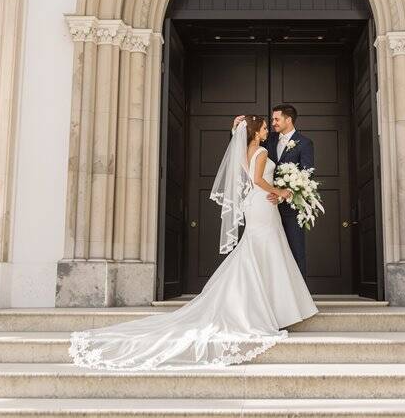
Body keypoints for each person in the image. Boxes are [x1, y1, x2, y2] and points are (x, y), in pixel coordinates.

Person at [69, 115, 317, 371]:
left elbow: (246, 172)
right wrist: (282, 192)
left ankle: (265, 305)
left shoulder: (244, 150)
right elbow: (257, 180)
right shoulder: (263, 150)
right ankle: (268, 308)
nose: (268, 130)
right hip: (263, 204)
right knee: (265, 251)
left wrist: (235, 129)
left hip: (254, 205)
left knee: (257, 252)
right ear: (255, 132)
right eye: (265, 127)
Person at [233, 104, 314, 278]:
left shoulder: (305, 143)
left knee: (294, 252)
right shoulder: (268, 139)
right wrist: (235, 130)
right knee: (269, 252)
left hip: (290, 209)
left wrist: (284, 195)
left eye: (277, 119)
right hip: (265, 204)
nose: (273, 123)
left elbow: (307, 175)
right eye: (272, 120)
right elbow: (244, 146)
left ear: (288, 119)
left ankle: (298, 300)